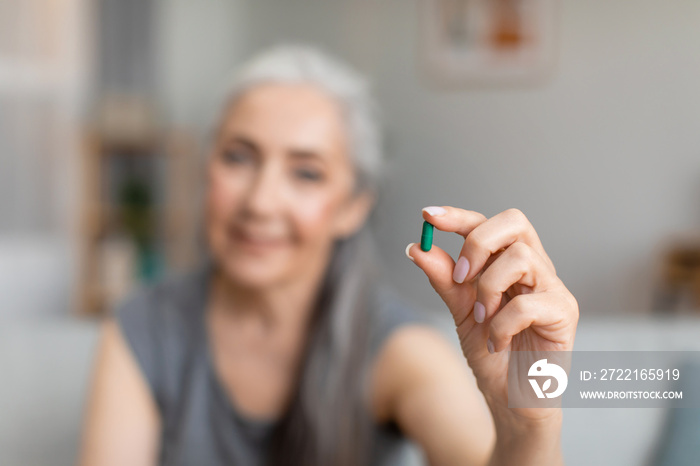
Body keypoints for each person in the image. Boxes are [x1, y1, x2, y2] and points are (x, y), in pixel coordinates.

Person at [78, 44, 579, 466]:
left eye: (306, 172)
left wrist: (527, 423)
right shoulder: (143, 327)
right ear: (205, 168)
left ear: (353, 206)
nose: (260, 201)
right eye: (238, 157)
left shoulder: (395, 348)